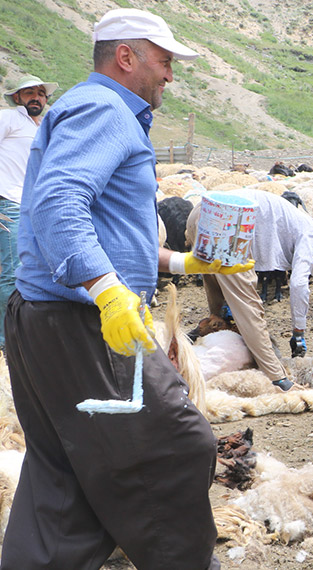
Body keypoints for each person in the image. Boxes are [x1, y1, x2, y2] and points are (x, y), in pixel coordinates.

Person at [1, 9, 254, 570]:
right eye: (164, 61)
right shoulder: (103, 109)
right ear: (126, 56)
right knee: (177, 446)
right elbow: (58, 205)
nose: (170, 75)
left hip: (48, 321)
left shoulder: (96, 110)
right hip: (83, 325)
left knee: (63, 474)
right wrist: (109, 291)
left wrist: (182, 260)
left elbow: (102, 224)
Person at [187, 189, 313, 383]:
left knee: (221, 308)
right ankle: (279, 379)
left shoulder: (292, 220)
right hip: (228, 222)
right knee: (250, 312)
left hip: (204, 212)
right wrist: (298, 332)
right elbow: (299, 283)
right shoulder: (311, 235)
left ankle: (202, 349)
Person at [0, 74, 56, 351]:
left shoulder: (43, 127)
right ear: (16, 98)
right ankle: (6, 340)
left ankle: (21, 332)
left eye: (41, 93)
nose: (36, 97)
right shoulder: (8, 118)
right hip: (7, 201)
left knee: (31, 269)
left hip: (33, 206)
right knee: (11, 271)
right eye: (29, 92)